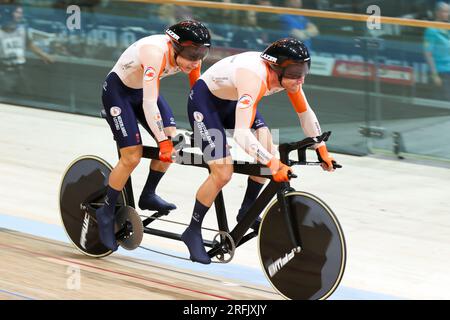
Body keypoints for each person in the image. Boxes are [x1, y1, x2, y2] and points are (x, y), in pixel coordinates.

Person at [182, 38, 336, 264]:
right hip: (205, 103)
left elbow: (305, 113)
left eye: (304, 70)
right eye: (294, 71)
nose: (300, 78)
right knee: (223, 172)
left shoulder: (289, 79)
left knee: (267, 145)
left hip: (233, 99)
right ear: (276, 67)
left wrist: (321, 148)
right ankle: (192, 230)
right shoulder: (254, 78)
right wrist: (273, 164)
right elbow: (242, 134)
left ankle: (247, 209)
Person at [98, 20, 211, 251]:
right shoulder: (154, 53)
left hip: (142, 91)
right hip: (119, 93)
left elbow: (198, 99)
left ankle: (148, 194)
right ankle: (106, 211)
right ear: (175, 46)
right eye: (192, 54)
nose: (196, 61)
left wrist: (202, 130)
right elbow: (149, 104)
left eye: (202, 54)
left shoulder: (192, 61)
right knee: (132, 157)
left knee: (176, 140)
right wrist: (162, 143)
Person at [0, 5, 54, 96]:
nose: (20, 15)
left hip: (21, 71)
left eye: (21, 13)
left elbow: (30, 45)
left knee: (27, 95)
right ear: (9, 14)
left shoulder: (22, 31)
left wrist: (44, 56)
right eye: (17, 12)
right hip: (5, 72)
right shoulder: (1, 33)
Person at [424, 2, 450, 101]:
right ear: (437, 12)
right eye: (444, 11)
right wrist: (435, 75)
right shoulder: (431, 30)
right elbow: (428, 54)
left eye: (448, 12)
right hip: (440, 72)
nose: (447, 14)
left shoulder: (448, 28)